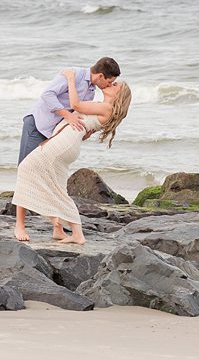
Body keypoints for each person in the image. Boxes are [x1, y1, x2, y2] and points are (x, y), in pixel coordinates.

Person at [11, 68, 133, 245]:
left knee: (26, 168)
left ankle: (76, 233)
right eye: (111, 81)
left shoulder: (106, 107)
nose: (110, 84)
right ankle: (59, 228)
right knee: (57, 184)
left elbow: (75, 105)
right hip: (68, 143)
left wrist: (69, 79)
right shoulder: (102, 106)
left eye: (115, 85)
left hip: (66, 143)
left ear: (119, 94)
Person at [19, 57, 119, 164]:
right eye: (109, 82)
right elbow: (47, 95)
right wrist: (67, 115)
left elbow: (77, 113)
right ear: (100, 76)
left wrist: (82, 134)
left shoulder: (91, 91)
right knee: (26, 166)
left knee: (40, 169)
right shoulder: (73, 74)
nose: (109, 85)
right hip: (38, 125)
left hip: (53, 133)